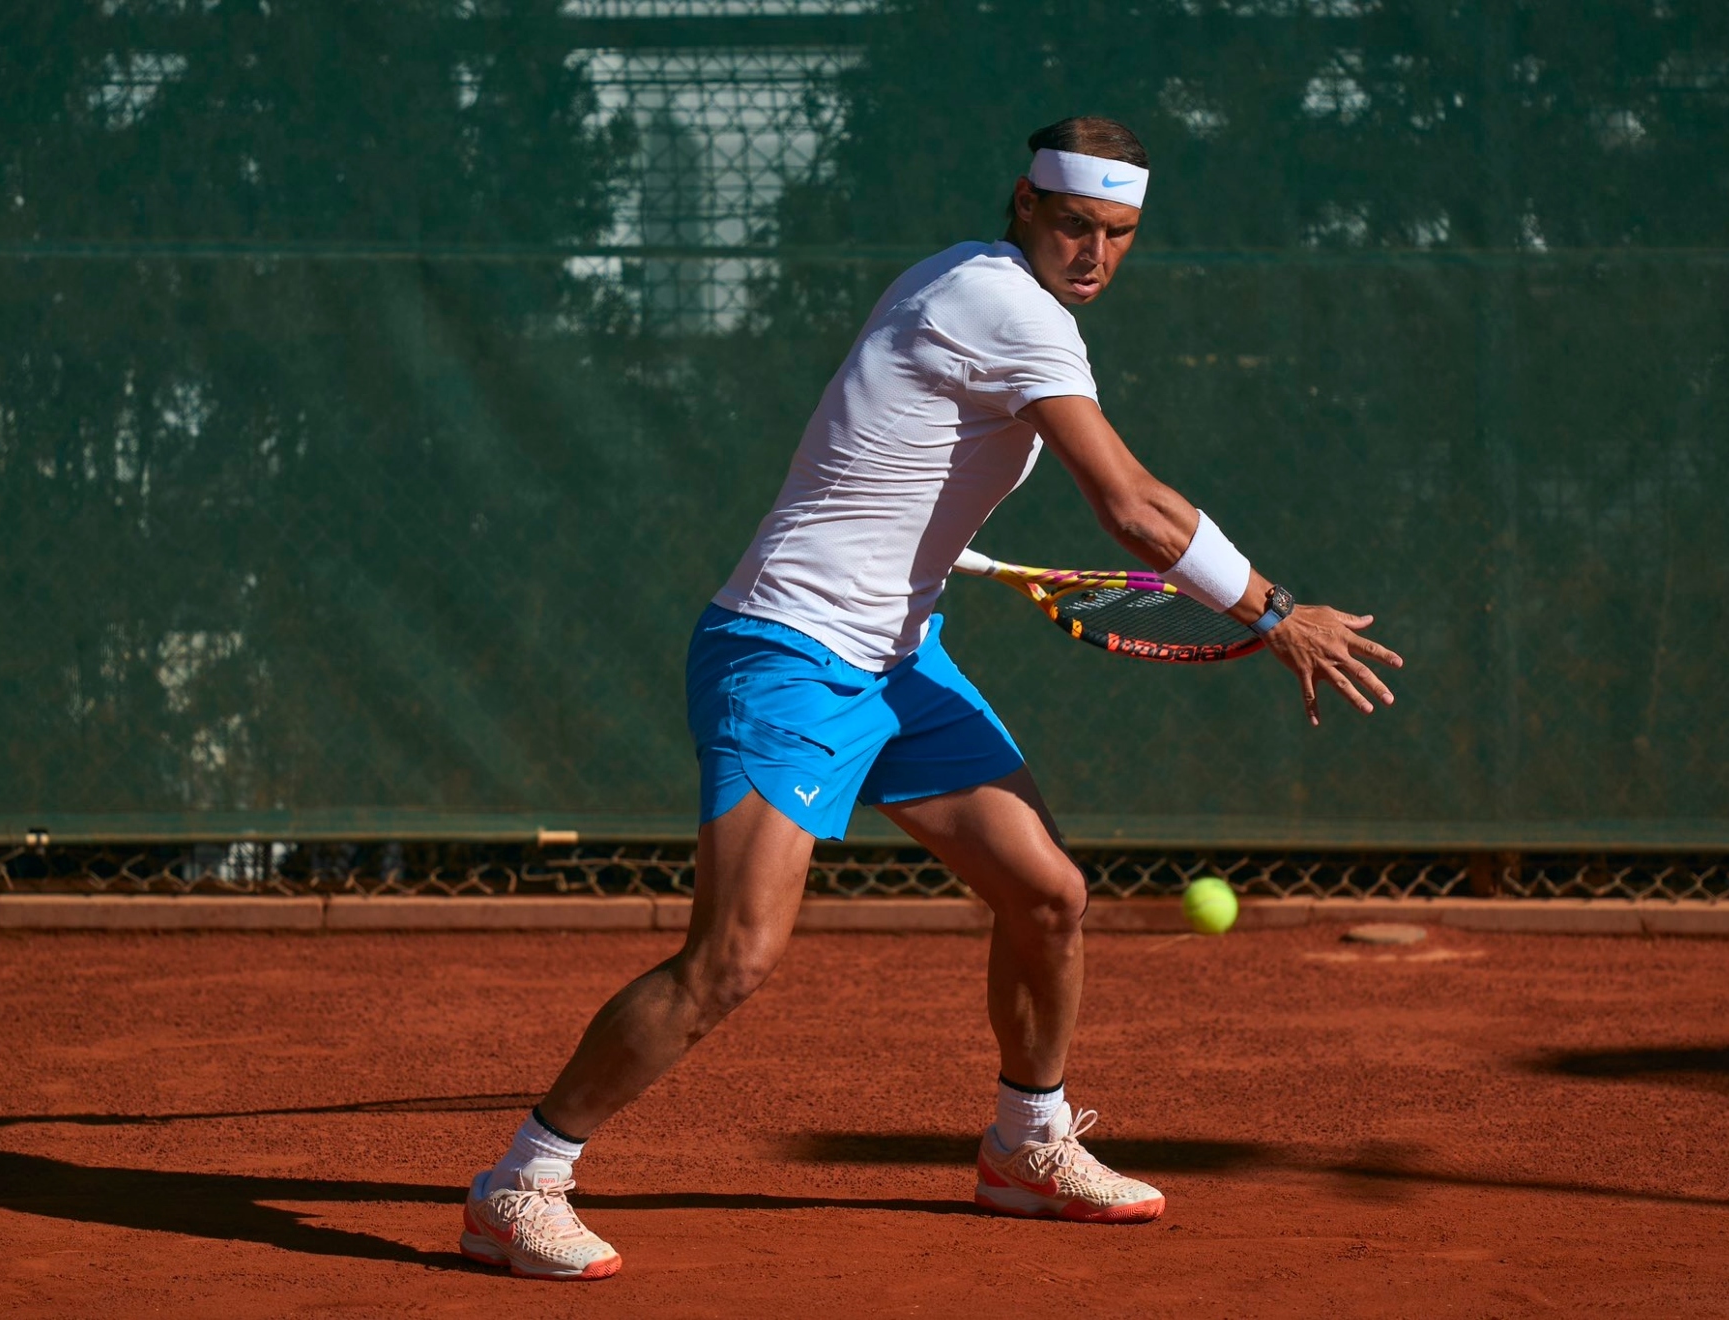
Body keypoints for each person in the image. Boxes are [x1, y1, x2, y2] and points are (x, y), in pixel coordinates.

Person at [458, 115, 1404, 1281]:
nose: (1094, 255)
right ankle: (521, 1181)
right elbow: (1135, 511)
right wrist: (1275, 611)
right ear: (1024, 206)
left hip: (899, 658)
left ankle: (1026, 1146)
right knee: (735, 956)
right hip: (790, 651)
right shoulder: (1006, 305)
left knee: (1049, 895)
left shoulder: (966, 283)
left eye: (1118, 235)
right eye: (1074, 226)